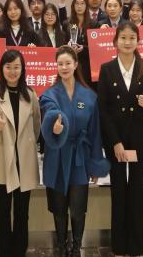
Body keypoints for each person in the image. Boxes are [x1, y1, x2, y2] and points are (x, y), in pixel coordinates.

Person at [40, 46, 110, 256]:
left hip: (80, 157)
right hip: (57, 156)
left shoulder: (89, 96)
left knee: (78, 209)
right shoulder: (49, 95)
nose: (64, 67)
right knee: (59, 209)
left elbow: (95, 133)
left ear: (76, 65)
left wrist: (95, 165)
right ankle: (62, 247)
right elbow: (50, 113)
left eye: (68, 63)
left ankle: (76, 248)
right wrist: (54, 127)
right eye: (60, 64)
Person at [97, 22, 143, 256]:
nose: (128, 42)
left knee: (137, 191)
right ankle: (119, 246)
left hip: (140, 140)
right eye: (123, 38)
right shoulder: (106, 69)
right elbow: (103, 110)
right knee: (118, 191)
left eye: (132, 38)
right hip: (117, 141)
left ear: (138, 41)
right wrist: (115, 142)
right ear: (115, 41)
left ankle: (136, 246)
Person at [0, 50, 41, 257]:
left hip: (24, 160)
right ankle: (4, 252)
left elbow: (36, 125)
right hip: (2, 160)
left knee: (22, 213)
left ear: (22, 69)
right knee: (2, 212)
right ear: (2, 69)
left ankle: (19, 251)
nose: (12, 71)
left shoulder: (31, 94)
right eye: (8, 67)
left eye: (16, 67)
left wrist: (29, 144)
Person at [61, 0, 100, 88]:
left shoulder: (94, 24)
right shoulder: (67, 23)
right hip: (72, 65)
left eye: (82, 3)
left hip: (88, 66)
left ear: (86, 5)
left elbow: (96, 48)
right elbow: (63, 45)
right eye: (77, 3)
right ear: (73, 5)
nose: (79, 6)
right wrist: (68, 47)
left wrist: (83, 48)